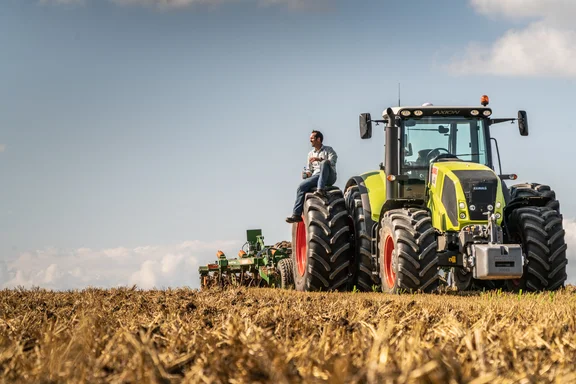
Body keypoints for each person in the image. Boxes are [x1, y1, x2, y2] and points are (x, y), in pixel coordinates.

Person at [286, 130, 338, 223]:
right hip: (317, 176)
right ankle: (297, 214)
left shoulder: (329, 150)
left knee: (324, 162)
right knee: (301, 187)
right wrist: (307, 174)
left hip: (329, 175)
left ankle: (320, 190)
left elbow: (332, 162)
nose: (310, 141)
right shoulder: (310, 154)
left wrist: (319, 159)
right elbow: (309, 170)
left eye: (312, 139)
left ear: (318, 139)